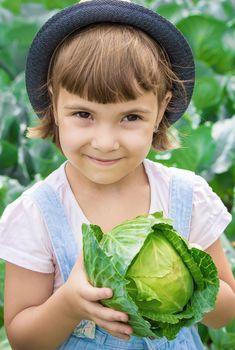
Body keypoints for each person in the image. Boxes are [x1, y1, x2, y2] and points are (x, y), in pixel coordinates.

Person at [0, 0, 235, 349]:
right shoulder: (38, 213)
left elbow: (225, 313)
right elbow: (23, 339)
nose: (105, 142)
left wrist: (190, 274)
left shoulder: (187, 197)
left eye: (130, 117)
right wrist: (68, 305)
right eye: (83, 114)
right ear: (53, 104)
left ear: (160, 111)